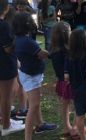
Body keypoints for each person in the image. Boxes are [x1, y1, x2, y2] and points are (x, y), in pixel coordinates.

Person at [14, 12, 57, 140]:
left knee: (35, 102)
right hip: (31, 76)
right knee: (34, 105)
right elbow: (42, 54)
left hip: (27, 73)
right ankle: (28, 136)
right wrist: (52, 51)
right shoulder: (28, 42)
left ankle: (40, 124)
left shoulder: (18, 39)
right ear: (27, 25)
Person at [0, 0, 25, 136]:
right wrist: (19, 40)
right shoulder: (3, 25)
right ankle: (6, 125)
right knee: (7, 96)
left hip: (3, 63)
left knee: (3, 94)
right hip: (5, 63)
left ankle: (5, 119)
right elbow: (8, 48)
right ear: (6, 8)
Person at [49, 22, 78, 138]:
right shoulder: (69, 52)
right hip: (72, 82)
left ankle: (67, 126)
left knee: (65, 105)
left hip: (61, 82)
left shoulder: (54, 51)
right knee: (78, 104)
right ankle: (75, 127)